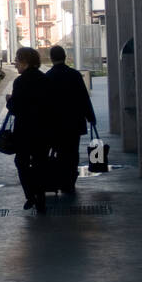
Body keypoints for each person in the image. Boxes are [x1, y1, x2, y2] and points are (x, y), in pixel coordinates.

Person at [44, 45, 97, 194]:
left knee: (59, 152)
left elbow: (44, 103)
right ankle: (70, 182)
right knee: (72, 152)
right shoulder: (74, 75)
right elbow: (84, 98)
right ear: (65, 57)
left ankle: (60, 180)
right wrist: (91, 117)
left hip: (55, 124)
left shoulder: (47, 76)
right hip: (74, 123)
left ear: (51, 58)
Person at [6, 46, 50, 214]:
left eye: (17, 60)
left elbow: (15, 108)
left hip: (24, 131)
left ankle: (30, 195)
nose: (15, 63)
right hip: (43, 130)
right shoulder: (45, 79)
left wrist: (9, 100)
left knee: (21, 162)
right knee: (40, 164)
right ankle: (41, 199)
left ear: (25, 62)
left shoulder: (20, 81)